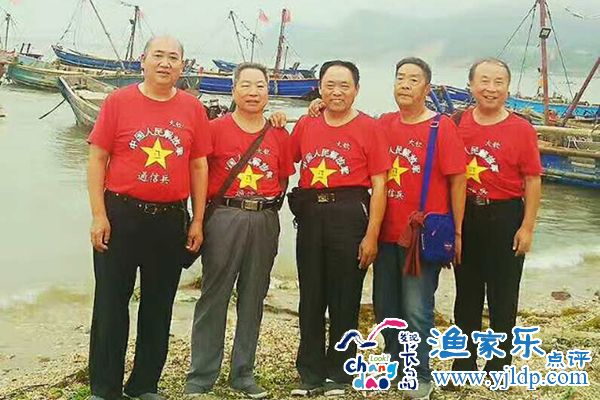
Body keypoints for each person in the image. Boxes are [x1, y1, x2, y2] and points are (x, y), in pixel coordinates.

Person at [87, 36, 211, 400]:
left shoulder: (192, 108)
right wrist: (98, 215)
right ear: (143, 60)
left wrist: (197, 220)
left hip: (170, 219)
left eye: (173, 57)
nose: (165, 63)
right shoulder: (118, 101)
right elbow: (97, 159)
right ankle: (105, 388)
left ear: (182, 66)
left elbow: (199, 165)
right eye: (158, 55)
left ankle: (144, 385)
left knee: (158, 305)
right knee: (110, 303)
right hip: (121, 215)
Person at [185, 62, 295, 399]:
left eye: (260, 86)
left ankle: (243, 373)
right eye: (245, 85)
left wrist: (264, 208)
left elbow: (283, 178)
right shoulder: (214, 129)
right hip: (224, 217)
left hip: (264, 218)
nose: (253, 92)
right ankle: (201, 375)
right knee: (214, 295)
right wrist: (198, 220)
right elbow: (198, 175)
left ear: (268, 92)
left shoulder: (279, 134)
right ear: (233, 90)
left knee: (253, 297)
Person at [289, 60, 390, 397]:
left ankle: (341, 373)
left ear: (356, 90)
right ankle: (310, 373)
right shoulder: (307, 123)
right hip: (310, 215)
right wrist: (276, 119)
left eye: (344, 85)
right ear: (319, 88)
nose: (336, 92)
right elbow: (286, 156)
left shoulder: (369, 127)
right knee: (311, 296)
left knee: (345, 297)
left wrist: (372, 234)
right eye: (330, 85)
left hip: (350, 213)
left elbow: (380, 184)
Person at [374, 58, 466, 400]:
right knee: (385, 307)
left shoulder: (441, 127)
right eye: (400, 77)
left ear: (427, 88)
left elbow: (459, 180)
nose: (405, 84)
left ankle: (420, 375)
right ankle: (396, 366)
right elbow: (350, 125)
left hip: (422, 237)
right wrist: (318, 106)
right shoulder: (384, 123)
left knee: (416, 308)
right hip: (386, 234)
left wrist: (458, 232)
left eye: (414, 79)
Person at [452, 58, 542, 374]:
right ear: (471, 85)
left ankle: (499, 365)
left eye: (498, 82)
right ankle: (464, 363)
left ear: (507, 87)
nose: (491, 88)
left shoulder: (521, 129)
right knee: (467, 293)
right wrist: (318, 108)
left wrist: (527, 227)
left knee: (503, 295)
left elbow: (532, 180)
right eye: (484, 81)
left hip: (505, 216)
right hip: (466, 216)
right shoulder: (456, 123)